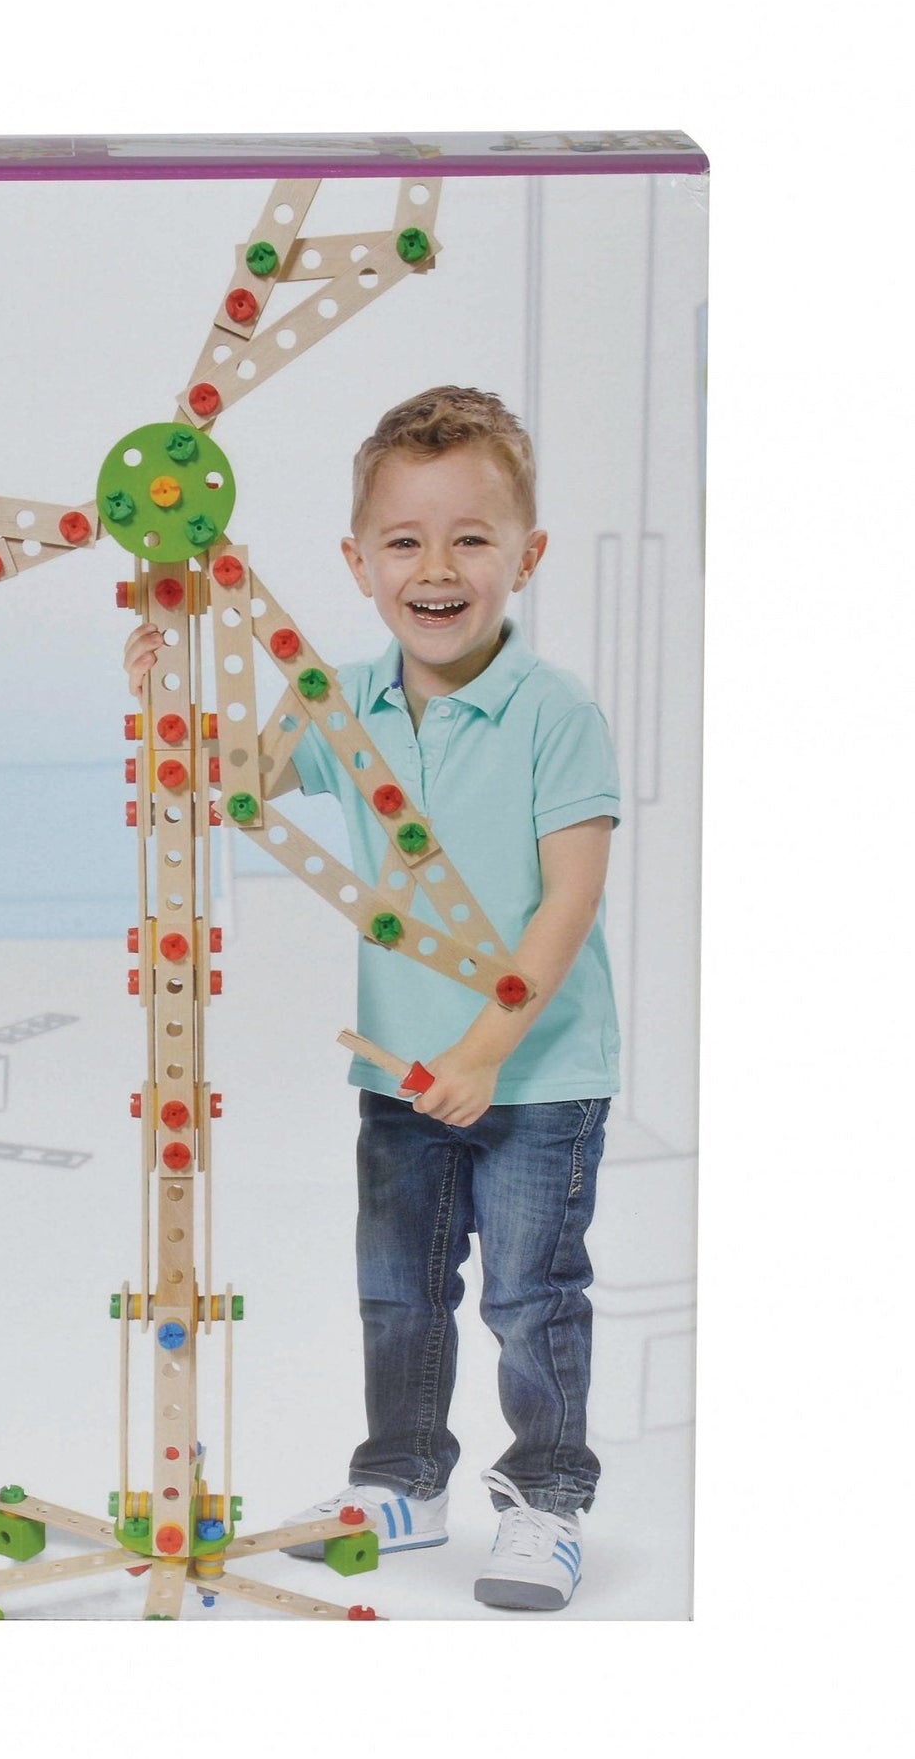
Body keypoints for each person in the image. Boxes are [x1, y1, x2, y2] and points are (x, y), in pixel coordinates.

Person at [123, 388, 620, 1611]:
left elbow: (568, 904)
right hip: (400, 1068)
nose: (436, 569)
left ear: (527, 556)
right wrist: (164, 689)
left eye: (471, 538)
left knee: (531, 1297)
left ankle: (545, 1499)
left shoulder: (556, 713)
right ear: (358, 562)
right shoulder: (335, 699)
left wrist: (489, 1048)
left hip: (537, 1074)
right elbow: (225, 785)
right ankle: (402, 1480)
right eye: (405, 540)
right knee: (401, 1292)